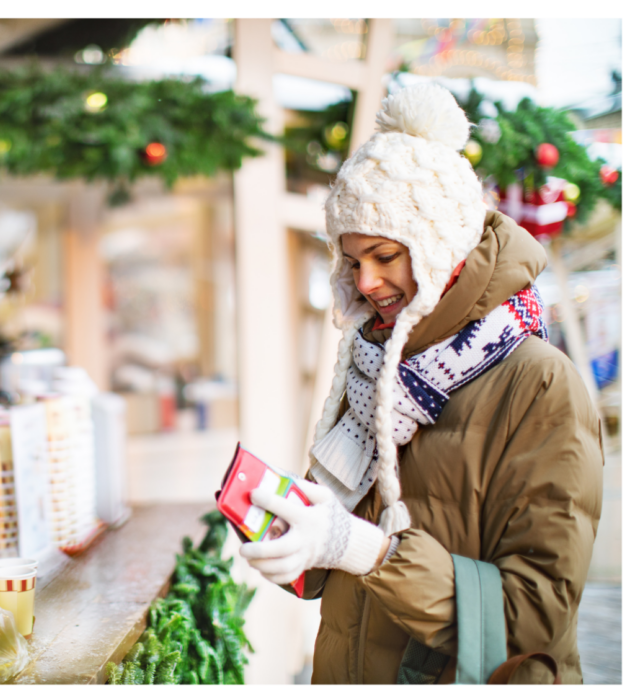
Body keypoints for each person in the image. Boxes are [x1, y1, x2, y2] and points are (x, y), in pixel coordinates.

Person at [237, 83, 602, 685]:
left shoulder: (539, 382)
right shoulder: (371, 366)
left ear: (440, 247)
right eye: (352, 261)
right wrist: (301, 539)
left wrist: (366, 550)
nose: (368, 282)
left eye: (385, 255)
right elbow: (338, 558)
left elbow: (535, 617)